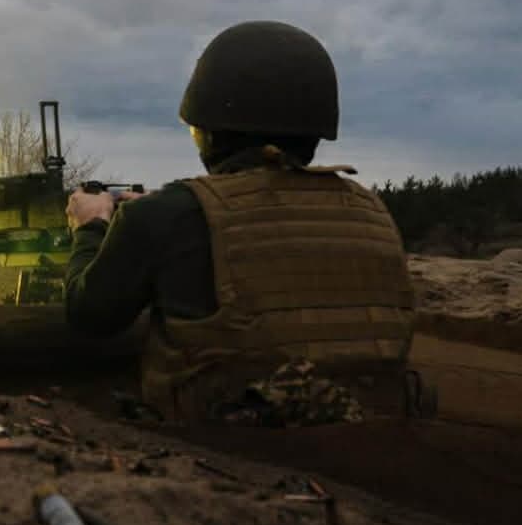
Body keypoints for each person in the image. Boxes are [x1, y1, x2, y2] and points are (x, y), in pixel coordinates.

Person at [63, 21, 416, 426]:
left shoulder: (168, 215)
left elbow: (90, 315)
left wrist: (91, 224)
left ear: (208, 132)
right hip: (379, 434)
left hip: (229, 446)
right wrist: (167, 214)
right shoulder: (371, 210)